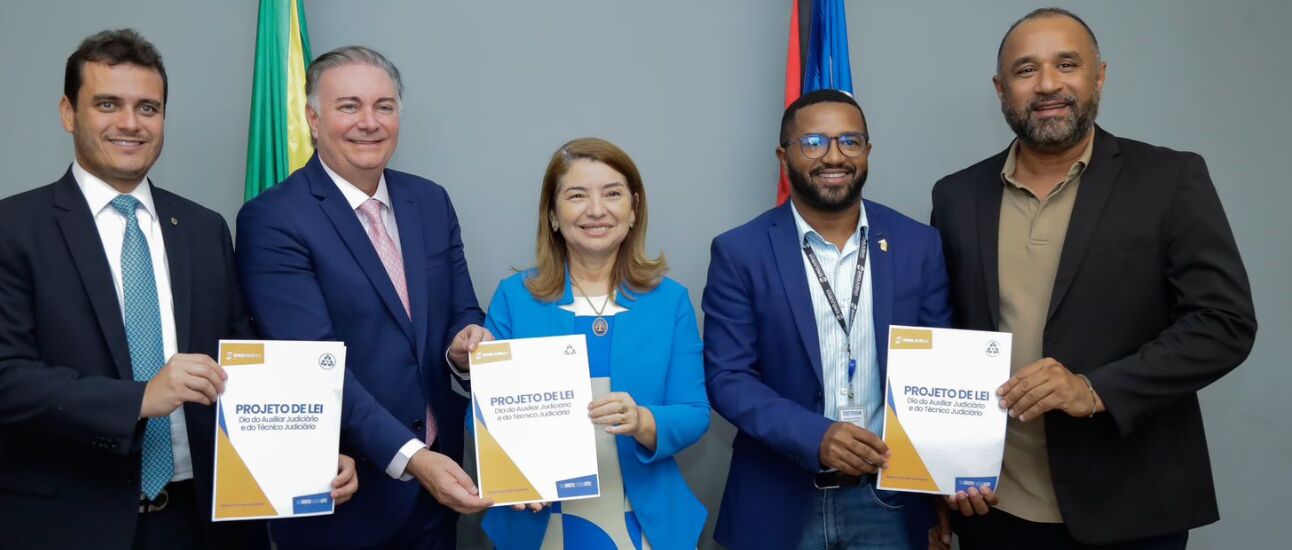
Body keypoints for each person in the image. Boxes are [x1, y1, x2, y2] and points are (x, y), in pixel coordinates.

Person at [0, 29, 318, 550]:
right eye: (108, 104)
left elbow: (245, 364)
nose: (130, 123)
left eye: (148, 107)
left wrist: (305, 457)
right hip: (66, 526)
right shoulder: (5, 230)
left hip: (200, 525)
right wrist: (140, 398)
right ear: (67, 112)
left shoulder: (203, 228)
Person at [929, 8, 1257, 549]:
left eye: (1067, 64)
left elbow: (1224, 324)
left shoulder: (1170, 179)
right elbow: (950, 337)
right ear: (1000, 88)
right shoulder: (957, 195)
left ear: (1099, 76)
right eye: (1026, 70)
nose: (1049, 84)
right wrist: (943, 469)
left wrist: (1094, 388)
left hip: (1131, 505)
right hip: (995, 508)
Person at [235, 45, 491, 549]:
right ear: (313, 118)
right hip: (343, 498)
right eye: (348, 106)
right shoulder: (273, 219)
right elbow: (313, 364)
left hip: (434, 500)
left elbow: (461, 310)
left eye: (384, 106)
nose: (369, 122)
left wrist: (462, 346)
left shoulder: (430, 201)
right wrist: (414, 458)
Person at [703, 89, 951, 549]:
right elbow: (727, 377)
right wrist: (817, 436)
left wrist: (946, 482)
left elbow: (941, 373)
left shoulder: (919, 244)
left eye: (850, 141)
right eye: (814, 142)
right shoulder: (741, 252)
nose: (834, 156)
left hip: (890, 500)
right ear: (785, 156)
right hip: (778, 500)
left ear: (868, 152)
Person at [476, 138, 710, 549]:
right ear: (552, 214)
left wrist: (641, 421)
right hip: (537, 520)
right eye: (577, 195)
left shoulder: (669, 300)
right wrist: (511, 470)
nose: (596, 210)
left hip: (642, 521)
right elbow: (482, 415)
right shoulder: (514, 298)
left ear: (634, 209)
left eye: (613, 194)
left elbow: (694, 413)